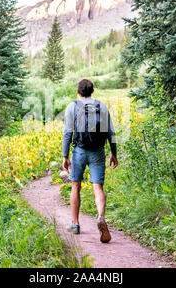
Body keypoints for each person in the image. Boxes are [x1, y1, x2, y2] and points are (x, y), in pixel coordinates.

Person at [62, 79, 118, 243]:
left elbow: (67, 133)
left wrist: (65, 156)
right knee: (98, 187)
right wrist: (113, 153)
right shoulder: (102, 107)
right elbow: (110, 132)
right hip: (98, 152)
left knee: (75, 185)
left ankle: (75, 224)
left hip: (79, 151)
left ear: (78, 92)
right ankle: (101, 217)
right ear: (93, 91)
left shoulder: (72, 107)